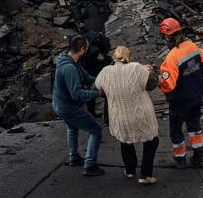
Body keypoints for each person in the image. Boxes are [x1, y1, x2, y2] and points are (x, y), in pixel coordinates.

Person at [95, 46, 160, 185]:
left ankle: (130, 170)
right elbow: (151, 85)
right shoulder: (136, 68)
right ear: (128, 57)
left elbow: (99, 90)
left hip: (120, 116)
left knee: (125, 141)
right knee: (151, 141)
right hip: (141, 114)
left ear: (114, 58)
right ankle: (145, 175)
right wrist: (151, 71)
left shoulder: (105, 71)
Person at [157, 18, 203, 168]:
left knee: (176, 131)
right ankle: (199, 155)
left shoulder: (171, 58)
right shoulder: (193, 46)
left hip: (180, 102)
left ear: (167, 37)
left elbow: (168, 85)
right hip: (196, 96)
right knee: (194, 126)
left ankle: (180, 159)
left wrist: (159, 79)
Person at [52, 35, 104, 176]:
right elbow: (77, 94)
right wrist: (97, 93)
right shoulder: (70, 68)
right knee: (95, 130)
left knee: (72, 128)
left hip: (59, 104)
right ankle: (90, 165)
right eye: (86, 49)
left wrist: (103, 79)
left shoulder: (69, 60)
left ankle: (74, 157)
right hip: (67, 107)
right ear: (81, 49)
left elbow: (86, 77)